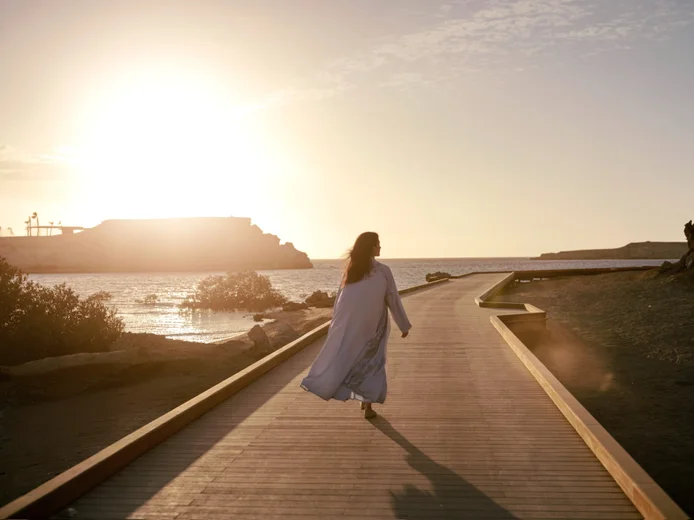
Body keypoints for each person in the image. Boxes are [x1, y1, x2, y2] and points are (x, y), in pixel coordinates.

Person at [300, 232, 412, 419]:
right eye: (378, 244)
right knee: (372, 363)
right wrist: (403, 325)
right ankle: (367, 404)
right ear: (370, 247)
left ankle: (364, 400)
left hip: (361, 326)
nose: (380, 247)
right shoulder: (377, 271)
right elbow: (391, 298)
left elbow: (340, 300)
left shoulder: (355, 271)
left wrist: (337, 323)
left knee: (362, 361)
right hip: (369, 327)